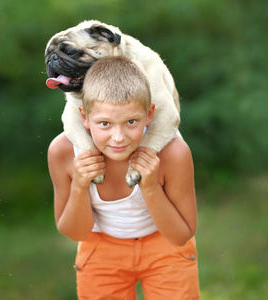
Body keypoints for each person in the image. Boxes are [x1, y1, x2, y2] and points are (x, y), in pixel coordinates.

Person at [47, 56, 200, 300]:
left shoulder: (174, 153)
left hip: (164, 246)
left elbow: (181, 235)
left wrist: (150, 188)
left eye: (131, 122)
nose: (118, 138)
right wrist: (79, 184)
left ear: (149, 114)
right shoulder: (64, 151)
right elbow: (75, 232)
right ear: (84, 117)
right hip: (101, 247)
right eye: (105, 123)